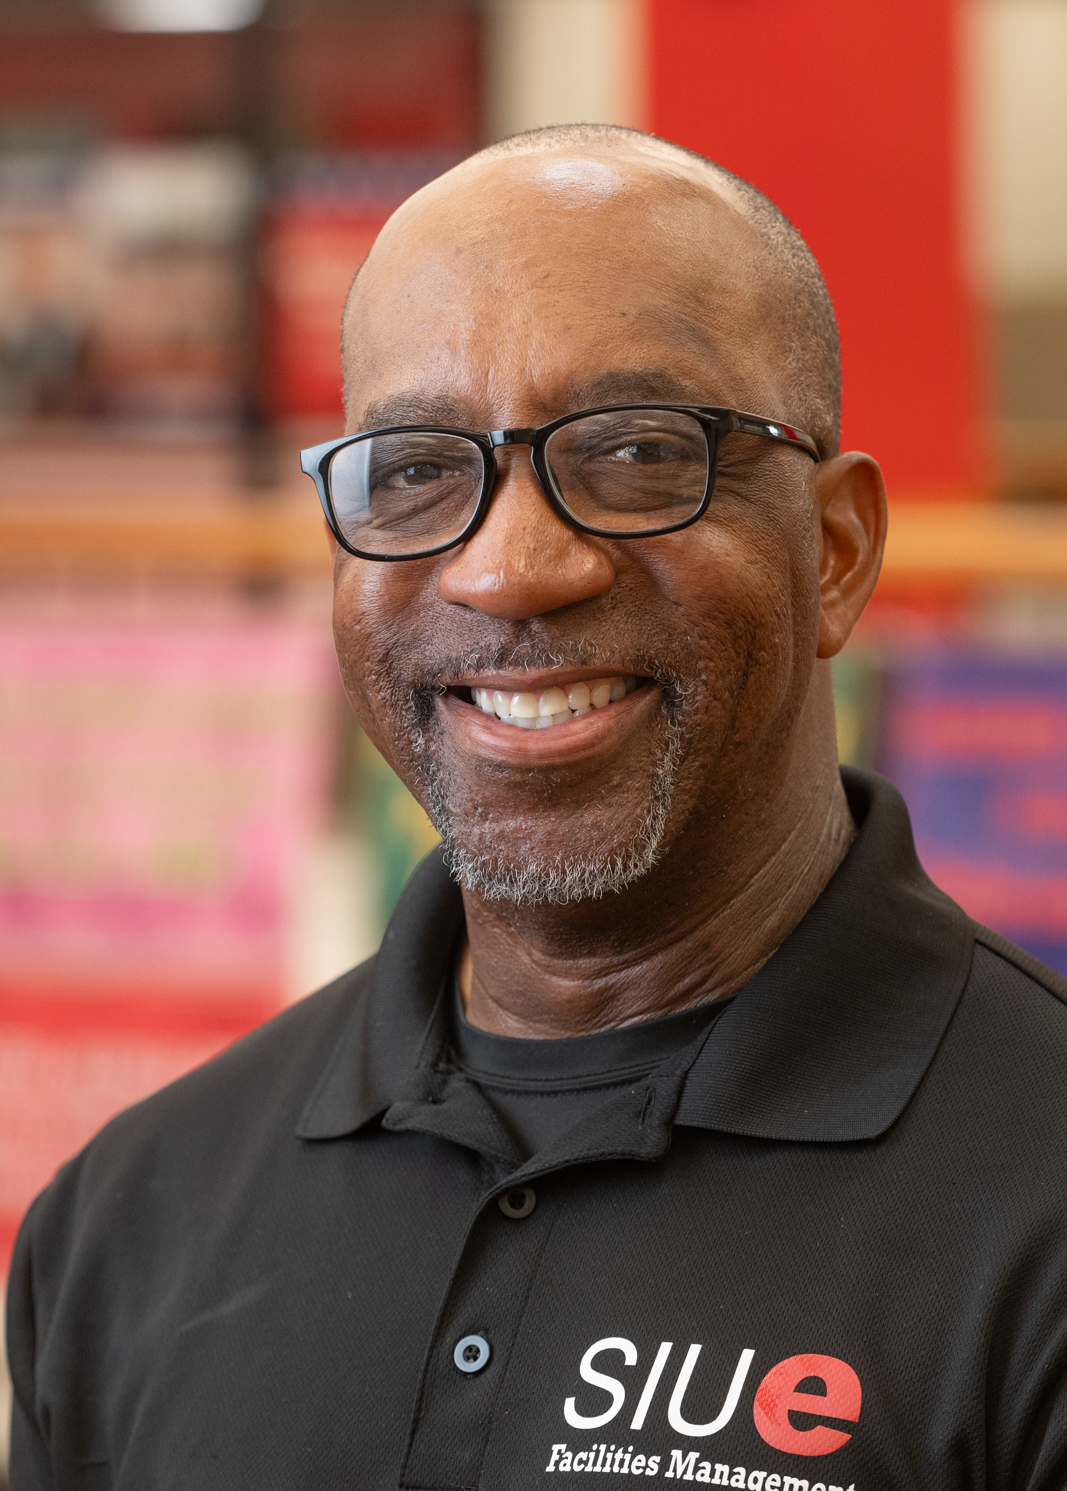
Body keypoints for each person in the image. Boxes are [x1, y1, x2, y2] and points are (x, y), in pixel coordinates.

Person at [8, 126, 1067, 1491]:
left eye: (636, 451)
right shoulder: (132, 1217)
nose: (508, 570)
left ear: (838, 551)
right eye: (416, 469)